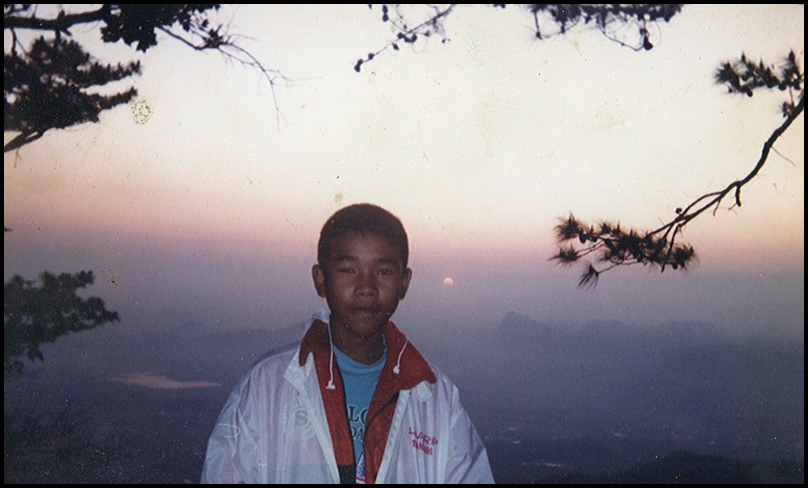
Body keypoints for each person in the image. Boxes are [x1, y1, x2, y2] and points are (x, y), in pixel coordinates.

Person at [199, 203, 494, 484]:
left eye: (383, 271)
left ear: (404, 283)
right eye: (348, 269)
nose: (366, 287)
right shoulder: (268, 384)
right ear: (320, 279)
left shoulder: (435, 398)